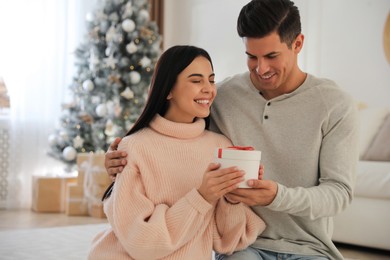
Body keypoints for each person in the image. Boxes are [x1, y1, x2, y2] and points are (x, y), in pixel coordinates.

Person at [105, 0, 359, 259]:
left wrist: (277, 197)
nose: (261, 69)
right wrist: (122, 156)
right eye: (251, 56)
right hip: (242, 243)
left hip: (308, 247)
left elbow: (338, 193)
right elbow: (176, 132)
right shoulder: (223, 96)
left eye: (271, 56)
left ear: (298, 44)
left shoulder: (334, 104)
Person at [88, 45, 266, 260]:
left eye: (211, 80)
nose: (209, 89)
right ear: (169, 89)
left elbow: (229, 242)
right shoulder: (134, 147)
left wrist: (232, 198)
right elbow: (141, 243)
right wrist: (201, 197)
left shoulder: (220, 147)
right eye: (196, 80)